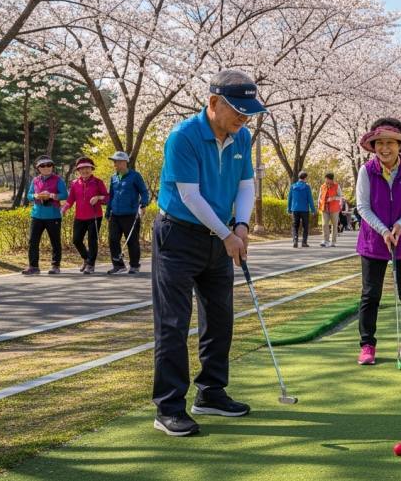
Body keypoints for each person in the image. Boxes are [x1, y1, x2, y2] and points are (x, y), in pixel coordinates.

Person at [151, 69, 263, 437]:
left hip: (222, 235)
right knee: (174, 323)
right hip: (178, 237)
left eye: (249, 112)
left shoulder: (241, 136)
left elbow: (246, 185)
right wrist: (228, 234)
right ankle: (169, 406)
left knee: (220, 319)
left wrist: (242, 226)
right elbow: (189, 195)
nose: (244, 119)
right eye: (238, 110)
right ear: (213, 102)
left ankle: (211, 392)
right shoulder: (183, 136)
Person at [355, 117, 401, 366]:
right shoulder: (366, 171)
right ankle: (367, 346)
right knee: (370, 294)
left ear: (400, 145)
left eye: (390, 143)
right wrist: (383, 230)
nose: (385, 148)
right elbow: (362, 206)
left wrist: (399, 225)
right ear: (373, 146)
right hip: (373, 242)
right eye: (380, 143)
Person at [61, 157, 109, 274]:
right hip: (80, 217)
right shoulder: (75, 183)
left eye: (87, 168)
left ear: (91, 169)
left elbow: (108, 198)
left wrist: (98, 197)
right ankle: (87, 258)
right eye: (82, 169)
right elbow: (70, 200)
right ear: (78, 170)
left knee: (92, 240)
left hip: (94, 216)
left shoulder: (98, 182)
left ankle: (91, 265)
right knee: (76, 240)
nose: (85, 171)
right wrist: (63, 210)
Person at [22, 155, 68, 275]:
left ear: (52, 167)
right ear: (38, 168)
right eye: (42, 165)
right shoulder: (35, 180)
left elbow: (65, 195)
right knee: (33, 241)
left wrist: (53, 195)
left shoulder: (58, 180)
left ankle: (55, 266)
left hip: (53, 216)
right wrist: (35, 196)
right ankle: (33, 266)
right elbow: (29, 195)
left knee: (55, 241)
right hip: (37, 215)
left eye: (49, 165)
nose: (46, 167)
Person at [106, 151, 150, 274]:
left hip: (130, 214)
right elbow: (111, 195)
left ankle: (134, 265)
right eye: (114, 162)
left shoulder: (135, 176)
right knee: (113, 239)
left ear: (125, 162)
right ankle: (118, 265)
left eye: (118, 161)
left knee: (132, 240)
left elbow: (144, 192)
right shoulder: (113, 177)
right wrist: (108, 210)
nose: (115, 164)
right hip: (115, 214)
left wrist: (144, 203)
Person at [288, 171, 315, 248]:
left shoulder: (292, 186)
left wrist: (289, 209)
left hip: (295, 209)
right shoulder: (307, 187)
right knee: (305, 226)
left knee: (295, 226)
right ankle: (304, 242)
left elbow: (289, 199)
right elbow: (310, 199)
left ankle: (295, 240)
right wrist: (313, 210)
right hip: (304, 210)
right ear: (305, 178)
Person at [318, 172, 343, 247]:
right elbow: (320, 196)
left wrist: (333, 198)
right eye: (325, 179)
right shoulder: (322, 186)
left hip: (334, 208)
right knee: (324, 224)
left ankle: (333, 241)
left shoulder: (336, 186)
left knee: (334, 225)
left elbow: (340, 196)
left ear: (331, 179)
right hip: (324, 208)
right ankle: (326, 240)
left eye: (327, 179)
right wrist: (319, 202)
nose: (326, 180)